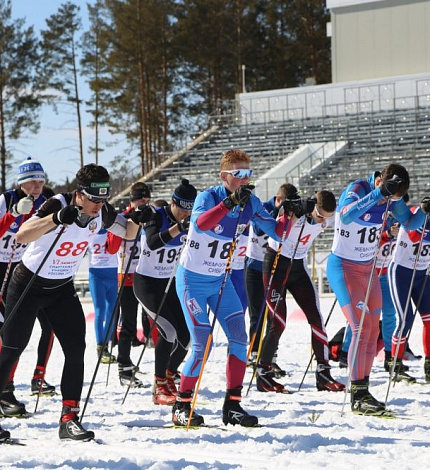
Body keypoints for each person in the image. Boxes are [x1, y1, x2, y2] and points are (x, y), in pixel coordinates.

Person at [0, 164, 152, 442]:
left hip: (61, 287)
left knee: (75, 348)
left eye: (103, 198)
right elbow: (23, 235)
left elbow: (128, 232)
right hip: (28, 284)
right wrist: (56, 219)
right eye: (93, 199)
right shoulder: (56, 202)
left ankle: (69, 418)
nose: (98, 205)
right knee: (12, 348)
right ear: (79, 194)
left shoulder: (102, 210)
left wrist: (140, 219)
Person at [173, 149, 292, 427]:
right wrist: (228, 204)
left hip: (220, 282)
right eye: (239, 174)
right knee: (203, 342)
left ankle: (233, 405)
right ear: (225, 176)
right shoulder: (208, 196)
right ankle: (182, 404)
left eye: (249, 173)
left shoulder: (249, 202)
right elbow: (201, 224)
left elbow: (277, 231)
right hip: (192, 281)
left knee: (240, 338)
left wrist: (292, 215)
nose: (245, 179)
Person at [326, 163, 426, 416]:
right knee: (360, 328)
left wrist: (426, 211)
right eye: (392, 194)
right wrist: (379, 194)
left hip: (368, 271)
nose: (394, 201)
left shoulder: (392, 198)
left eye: (396, 197)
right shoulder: (358, 188)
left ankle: (363, 390)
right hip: (344, 268)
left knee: (371, 330)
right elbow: (346, 215)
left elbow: (411, 222)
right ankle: (356, 395)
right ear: (381, 179)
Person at [256, 190, 345, 393]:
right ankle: (263, 372)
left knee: (316, 318)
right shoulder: (298, 210)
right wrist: (289, 210)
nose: (324, 221)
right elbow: (278, 222)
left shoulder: (328, 215)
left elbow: (348, 218)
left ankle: (323, 372)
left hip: (297, 267)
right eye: (320, 215)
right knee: (278, 322)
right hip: (275, 265)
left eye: (327, 218)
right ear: (313, 206)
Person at [0, 157, 56, 419]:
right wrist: (11, 215)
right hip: (1, 268)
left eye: (41, 181)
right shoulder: (7, 199)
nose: (37, 186)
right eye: (33, 181)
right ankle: (5, 389)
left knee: (19, 332)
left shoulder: (46, 203)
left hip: (25, 270)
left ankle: (15, 385)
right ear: (22, 182)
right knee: (6, 334)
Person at [134, 179, 197, 405]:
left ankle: (169, 376)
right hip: (146, 284)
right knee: (168, 332)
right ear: (172, 203)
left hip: (168, 283)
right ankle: (159, 385)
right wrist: (178, 228)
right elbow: (151, 243)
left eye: (190, 209)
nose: (185, 214)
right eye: (182, 208)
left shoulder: (191, 219)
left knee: (186, 335)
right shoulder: (156, 215)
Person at [106, 182, 155, 387]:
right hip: (127, 277)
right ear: (131, 200)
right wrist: (129, 224)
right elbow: (110, 247)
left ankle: (167, 368)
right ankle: (124, 365)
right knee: (128, 324)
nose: (142, 202)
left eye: (146, 199)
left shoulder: (154, 216)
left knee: (159, 319)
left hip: (149, 275)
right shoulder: (123, 218)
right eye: (138, 199)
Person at [245, 183, 297, 374]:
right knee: (256, 313)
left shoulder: (291, 212)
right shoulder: (264, 208)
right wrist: (277, 212)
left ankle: (269, 357)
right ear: (278, 199)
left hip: (274, 268)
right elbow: (259, 230)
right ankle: (254, 354)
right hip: (255, 267)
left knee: (273, 316)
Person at [387, 202, 430, 383]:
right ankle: (395, 365)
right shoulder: (415, 212)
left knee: (429, 319)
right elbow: (413, 234)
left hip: (422, 274)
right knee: (405, 319)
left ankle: (428, 364)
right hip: (401, 273)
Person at [87, 228, 118, 363]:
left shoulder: (114, 230)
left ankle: (106, 345)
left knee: (112, 312)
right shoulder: (89, 231)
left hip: (112, 274)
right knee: (100, 311)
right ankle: (100, 346)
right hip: (96, 275)